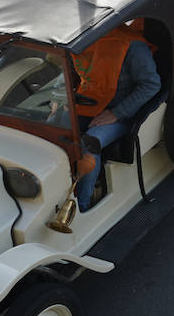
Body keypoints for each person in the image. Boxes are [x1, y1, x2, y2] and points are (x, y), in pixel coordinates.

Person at [69, 21, 163, 211]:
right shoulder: (76, 42)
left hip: (122, 114)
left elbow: (151, 84)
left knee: (90, 143)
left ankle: (83, 207)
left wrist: (116, 113)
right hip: (87, 104)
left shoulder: (132, 46)